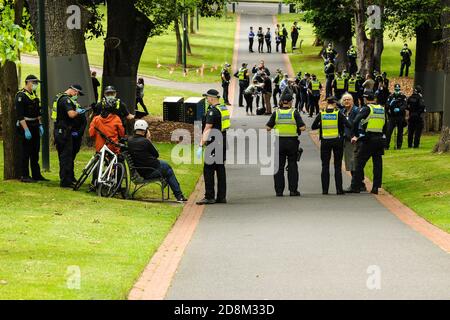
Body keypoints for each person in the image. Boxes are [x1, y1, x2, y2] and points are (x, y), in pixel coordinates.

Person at [127, 120, 187, 203]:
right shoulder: (145, 141)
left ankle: (178, 194)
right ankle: (179, 196)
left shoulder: (130, 141)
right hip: (150, 171)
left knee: (166, 166)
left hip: (142, 169)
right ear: (145, 131)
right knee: (168, 170)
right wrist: (149, 139)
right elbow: (156, 154)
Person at [266, 92, 306, 196]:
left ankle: (279, 191)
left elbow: (268, 128)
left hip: (279, 142)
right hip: (292, 142)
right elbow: (302, 128)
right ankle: (293, 190)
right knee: (292, 165)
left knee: (279, 167)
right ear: (290, 102)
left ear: (281, 102)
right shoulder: (294, 112)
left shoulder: (276, 112)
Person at [311, 96, 351, 195]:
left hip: (325, 141)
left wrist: (322, 125)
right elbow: (349, 125)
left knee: (325, 165)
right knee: (337, 166)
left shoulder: (322, 113)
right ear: (334, 103)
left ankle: (325, 190)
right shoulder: (338, 114)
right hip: (337, 141)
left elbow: (313, 126)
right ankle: (339, 189)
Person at [196, 89, 230, 205]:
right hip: (222, 141)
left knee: (208, 170)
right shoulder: (223, 108)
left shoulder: (212, 112)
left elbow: (207, 128)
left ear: (211, 98)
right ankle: (221, 196)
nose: (206, 99)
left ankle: (209, 196)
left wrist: (201, 144)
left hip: (214, 143)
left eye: (207, 98)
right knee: (220, 170)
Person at [350, 93, 387, 194]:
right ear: (374, 98)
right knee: (378, 164)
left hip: (369, 139)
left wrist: (356, 135)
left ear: (365, 99)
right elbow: (385, 125)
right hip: (379, 139)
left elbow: (355, 121)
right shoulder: (381, 109)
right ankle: (375, 187)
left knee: (359, 162)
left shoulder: (367, 109)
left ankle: (355, 186)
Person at [52, 84, 87, 188]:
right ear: (73, 90)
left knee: (66, 156)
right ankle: (65, 181)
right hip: (63, 131)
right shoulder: (66, 100)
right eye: (76, 93)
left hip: (60, 130)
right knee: (66, 157)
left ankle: (69, 178)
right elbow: (71, 114)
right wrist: (79, 112)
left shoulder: (59, 97)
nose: (76, 95)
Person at [15, 75, 48, 183]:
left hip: (35, 125)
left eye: (36, 83)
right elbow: (20, 116)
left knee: (35, 152)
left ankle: (36, 174)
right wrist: (26, 130)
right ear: (28, 82)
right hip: (26, 125)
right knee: (25, 152)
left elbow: (37, 112)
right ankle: (24, 175)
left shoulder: (33, 95)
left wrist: (40, 125)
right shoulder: (21, 96)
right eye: (34, 82)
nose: (36, 85)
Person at [339, 93, 365, 192]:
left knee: (354, 162)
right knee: (350, 163)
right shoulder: (342, 112)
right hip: (346, 139)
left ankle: (356, 185)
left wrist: (357, 136)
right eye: (345, 99)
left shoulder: (357, 110)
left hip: (354, 139)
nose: (346, 101)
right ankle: (360, 184)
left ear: (352, 101)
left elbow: (360, 123)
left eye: (348, 99)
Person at [386, 84, 407, 150]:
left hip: (400, 116)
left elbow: (405, 105)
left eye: (398, 89)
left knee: (400, 132)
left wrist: (399, 109)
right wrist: (390, 104)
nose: (397, 90)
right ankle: (386, 146)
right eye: (396, 89)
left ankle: (399, 146)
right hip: (392, 116)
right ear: (394, 89)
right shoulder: (391, 96)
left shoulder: (403, 97)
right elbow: (386, 106)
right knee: (389, 131)